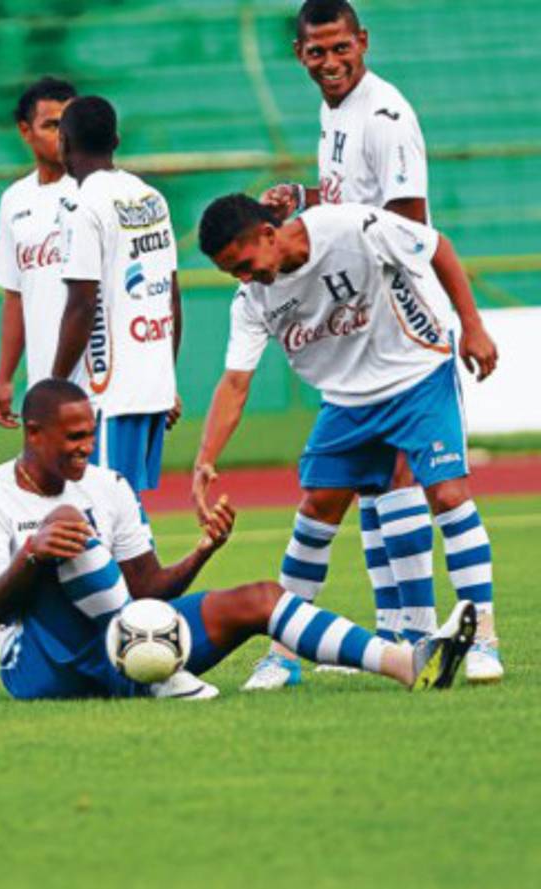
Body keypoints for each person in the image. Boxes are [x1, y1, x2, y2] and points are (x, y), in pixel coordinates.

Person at [0, 379, 476, 701]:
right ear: (32, 433)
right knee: (70, 525)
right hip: (41, 666)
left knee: (260, 598)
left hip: (126, 645)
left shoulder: (108, 484)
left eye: (91, 435)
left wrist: (203, 551)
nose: (87, 448)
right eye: (74, 438)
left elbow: (148, 592)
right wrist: (33, 553)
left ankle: (407, 664)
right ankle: (158, 677)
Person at [193, 193, 502, 689]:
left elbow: (437, 245)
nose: (244, 278)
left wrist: (473, 325)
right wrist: (204, 460)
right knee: (317, 507)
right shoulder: (252, 299)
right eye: (232, 273)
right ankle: (283, 654)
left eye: (244, 265)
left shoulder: (351, 228)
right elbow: (235, 382)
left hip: (417, 376)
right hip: (346, 400)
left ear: (269, 235)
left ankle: (484, 639)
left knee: (447, 493)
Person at [254, 0, 443, 687]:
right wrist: (303, 198)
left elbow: (408, 223)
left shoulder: (385, 116)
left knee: (372, 479)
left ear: (363, 41)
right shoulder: (335, 110)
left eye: (341, 49)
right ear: (300, 55)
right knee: (367, 481)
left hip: (388, 306)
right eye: (316, 53)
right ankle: (399, 631)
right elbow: (346, 195)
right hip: (357, 306)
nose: (330, 63)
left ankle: (406, 633)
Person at [50, 96, 181, 509]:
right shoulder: (150, 197)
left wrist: (54, 387)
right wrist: (167, 377)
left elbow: (82, 306)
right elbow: (171, 296)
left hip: (110, 394)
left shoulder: (84, 205)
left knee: (107, 516)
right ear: (117, 140)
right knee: (126, 510)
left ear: (63, 143)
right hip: (152, 385)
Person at [0, 76, 78, 427]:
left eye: (68, 124)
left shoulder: (96, 189)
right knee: (55, 479)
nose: (62, 135)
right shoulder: (14, 200)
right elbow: (15, 296)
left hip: (101, 371)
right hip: (44, 376)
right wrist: (5, 378)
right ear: (25, 131)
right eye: (51, 125)